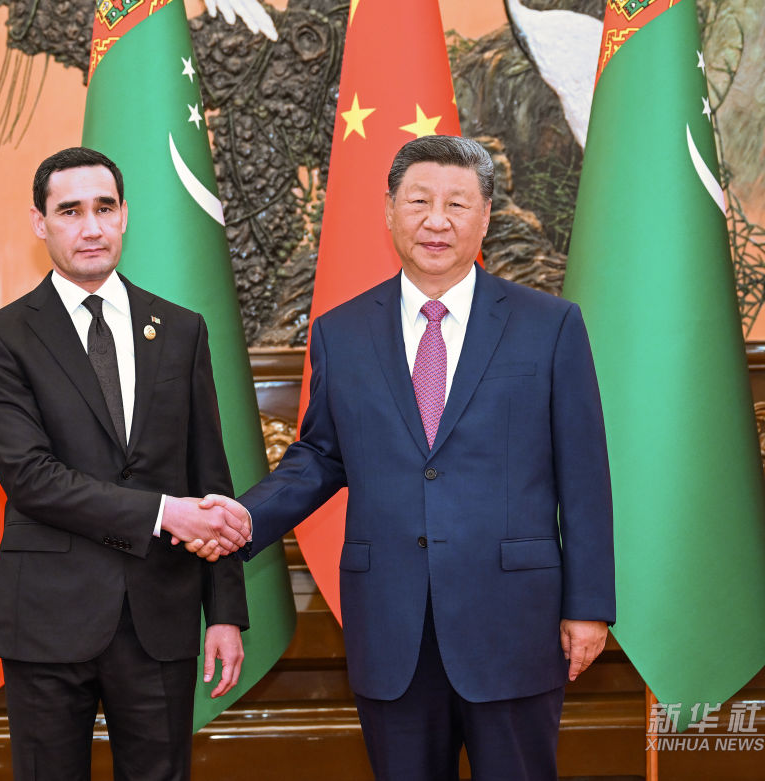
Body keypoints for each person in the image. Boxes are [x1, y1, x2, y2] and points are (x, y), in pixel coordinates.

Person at [193, 135, 615, 780]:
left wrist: (587, 605)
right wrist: (245, 519)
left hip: (513, 621)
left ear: (486, 216)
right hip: (392, 623)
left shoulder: (549, 325)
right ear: (390, 211)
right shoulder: (342, 330)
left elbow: (584, 475)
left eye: (456, 203)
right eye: (418, 200)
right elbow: (320, 455)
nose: (436, 220)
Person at [0, 146, 251, 781]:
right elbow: (30, 478)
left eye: (104, 208)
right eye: (69, 211)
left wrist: (226, 611)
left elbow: (212, 482)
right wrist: (161, 511)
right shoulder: (0, 340)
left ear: (125, 215)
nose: (90, 227)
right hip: (47, 617)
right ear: (40, 223)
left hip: (161, 615)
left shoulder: (181, 330)